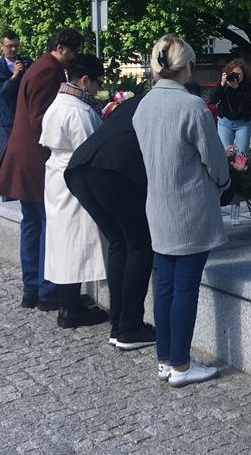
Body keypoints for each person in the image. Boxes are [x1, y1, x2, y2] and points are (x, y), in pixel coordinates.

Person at [133, 34, 231, 387]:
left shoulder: (143, 105)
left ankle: (166, 360)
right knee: (186, 287)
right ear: (186, 66)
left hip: (158, 205)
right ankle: (181, 365)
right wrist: (224, 184)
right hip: (189, 207)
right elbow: (215, 161)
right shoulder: (192, 107)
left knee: (165, 286)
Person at [0, 27, 83, 311]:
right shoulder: (47, 70)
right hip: (34, 158)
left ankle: (32, 289)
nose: (76, 56)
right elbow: (41, 117)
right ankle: (47, 291)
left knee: (32, 224)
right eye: (75, 50)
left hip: (23, 157)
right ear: (61, 47)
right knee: (46, 224)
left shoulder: (39, 66)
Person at [65, 89, 155, 349]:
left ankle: (118, 324)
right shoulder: (170, 104)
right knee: (139, 244)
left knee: (119, 242)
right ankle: (130, 328)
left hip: (80, 168)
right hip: (112, 169)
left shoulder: (137, 102)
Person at [39, 53, 109, 329]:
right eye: (97, 82)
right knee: (75, 244)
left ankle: (69, 300)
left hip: (58, 176)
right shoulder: (79, 111)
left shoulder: (58, 102)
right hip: (75, 178)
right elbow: (92, 149)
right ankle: (69, 310)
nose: (98, 88)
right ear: (85, 80)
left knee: (64, 242)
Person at [0, 31, 33, 171]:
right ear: (1, 46)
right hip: (8, 121)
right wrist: (14, 77)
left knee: (28, 158)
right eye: (10, 46)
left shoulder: (27, 62)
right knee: (9, 160)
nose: (13, 49)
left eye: (16, 46)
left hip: (27, 118)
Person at [209, 58, 251, 153]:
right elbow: (213, 100)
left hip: (243, 122)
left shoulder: (249, 83)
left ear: (244, 74)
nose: (236, 77)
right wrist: (221, 84)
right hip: (225, 122)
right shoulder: (225, 83)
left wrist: (237, 87)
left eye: (239, 74)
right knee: (225, 153)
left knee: (241, 153)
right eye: (233, 74)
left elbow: (249, 102)